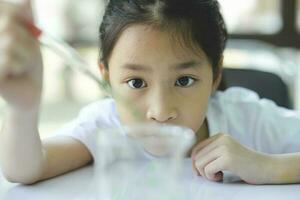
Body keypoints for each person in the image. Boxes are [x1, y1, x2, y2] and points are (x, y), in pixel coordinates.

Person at [0, 0, 300, 185]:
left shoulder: (247, 119)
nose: (160, 111)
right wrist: (21, 109)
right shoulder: (105, 126)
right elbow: (24, 169)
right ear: (106, 76)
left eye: (184, 81)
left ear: (215, 74)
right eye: (136, 82)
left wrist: (268, 166)